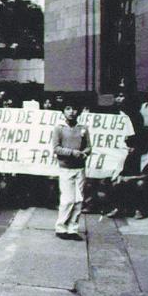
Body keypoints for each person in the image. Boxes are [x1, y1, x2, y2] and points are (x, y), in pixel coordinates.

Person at [52, 102, 91, 241]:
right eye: (68, 108)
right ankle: (61, 227)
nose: (72, 111)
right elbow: (56, 148)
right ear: (63, 111)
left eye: (74, 108)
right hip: (66, 168)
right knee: (67, 199)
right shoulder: (59, 128)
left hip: (79, 168)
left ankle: (72, 228)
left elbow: (88, 147)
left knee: (79, 199)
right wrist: (72, 153)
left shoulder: (83, 129)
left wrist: (84, 153)